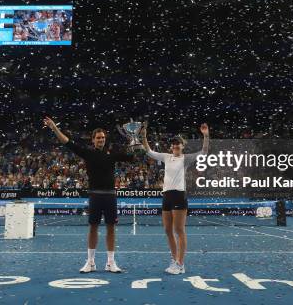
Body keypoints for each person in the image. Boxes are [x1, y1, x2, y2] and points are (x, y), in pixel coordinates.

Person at [43, 117, 135, 273]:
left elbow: (132, 156)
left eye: (103, 138)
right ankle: (91, 262)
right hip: (95, 196)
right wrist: (54, 128)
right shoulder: (87, 153)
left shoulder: (112, 153)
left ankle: (110, 263)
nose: (101, 140)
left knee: (111, 228)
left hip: (110, 195)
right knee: (93, 227)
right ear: (93, 140)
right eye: (98, 138)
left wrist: (135, 140)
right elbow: (67, 142)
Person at [140, 123, 209, 275]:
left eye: (178, 143)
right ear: (171, 147)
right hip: (167, 196)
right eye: (173, 144)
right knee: (167, 230)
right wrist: (144, 136)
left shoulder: (186, 158)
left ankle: (180, 263)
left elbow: (204, 152)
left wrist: (205, 135)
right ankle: (174, 259)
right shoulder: (166, 157)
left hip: (179, 195)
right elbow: (148, 151)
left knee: (179, 230)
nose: (175, 145)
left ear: (182, 146)